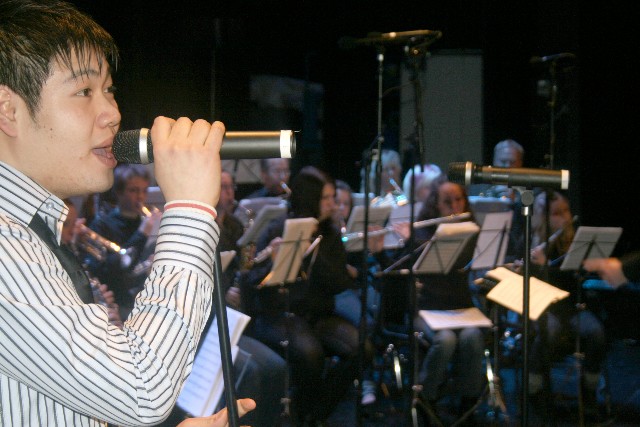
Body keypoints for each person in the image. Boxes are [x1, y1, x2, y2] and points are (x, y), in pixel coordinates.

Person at [0, 1, 253, 425]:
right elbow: (142, 391)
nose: (113, 114)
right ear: (8, 109)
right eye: (84, 92)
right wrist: (189, 209)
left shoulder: (31, 227)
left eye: (109, 90)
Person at [240, 166, 370, 425]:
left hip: (318, 314)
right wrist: (272, 259)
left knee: (362, 349)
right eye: (326, 198)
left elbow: (339, 283)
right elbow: (250, 281)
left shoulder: (330, 233)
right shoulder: (279, 228)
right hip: (279, 315)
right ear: (311, 199)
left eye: (333, 197)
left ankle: (314, 412)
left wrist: (314, 250)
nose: (333, 204)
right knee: (310, 355)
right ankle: (306, 414)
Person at [393, 176, 486, 423]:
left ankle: (468, 403)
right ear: (435, 205)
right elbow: (399, 273)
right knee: (445, 340)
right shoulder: (421, 232)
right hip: (426, 310)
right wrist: (409, 241)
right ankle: (426, 398)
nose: (455, 207)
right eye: (447, 202)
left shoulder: (472, 231)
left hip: (461, 309)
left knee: (473, 337)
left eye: (459, 200)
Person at [525, 191, 607, 413]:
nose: (564, 218)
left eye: (566, 211)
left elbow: (572, 281)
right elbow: (533, 286)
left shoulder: (574, 241)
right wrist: (534, 266)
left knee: (596, 333)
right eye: (556, 214)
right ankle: (534, 390)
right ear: (543, 218)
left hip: (570, 306)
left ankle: (589, 391)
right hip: (542, 306)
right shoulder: (530, 240)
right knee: (548, 331)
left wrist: (555, 263)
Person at [85, 163, 163, 319]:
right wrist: (142, 233)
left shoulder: (143, 222)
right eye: (133, 190)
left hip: (143, 297)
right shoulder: (102, 225)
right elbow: (117, 268)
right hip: (117, 304)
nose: (140, 197)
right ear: (119, 192)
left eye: (144, 190)